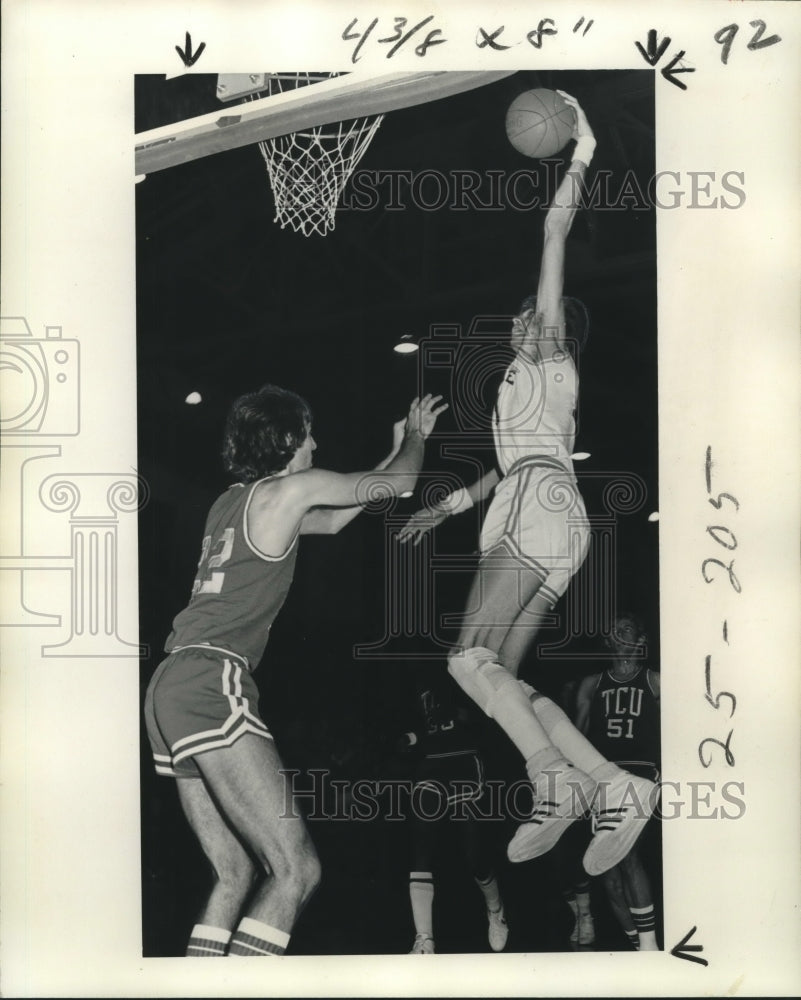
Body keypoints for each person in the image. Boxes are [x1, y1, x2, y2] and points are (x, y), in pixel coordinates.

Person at [399, 91, 655, 877]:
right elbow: (500, 469)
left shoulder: (547, 349)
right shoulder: (527, 384)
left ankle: (556, 782)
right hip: (548, 511)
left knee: (466, 662)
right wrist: (444, 503)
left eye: (527, 315)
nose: (518, 321)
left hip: (537, 509)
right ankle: (609, 785)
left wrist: (578, 153)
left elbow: (553, 230)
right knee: (492, 675)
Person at [144, 385, 447, 957]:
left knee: (233, 873)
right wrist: (413, 439)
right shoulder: (291, 488)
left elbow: (330, 523)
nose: (316, 443)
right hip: (214, 678)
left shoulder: (231, 502)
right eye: (308, 434)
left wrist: (381, 463)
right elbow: (401, 487)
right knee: (297, 871)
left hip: (169, 686)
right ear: (286, 440)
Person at [401, 672, 508, 955]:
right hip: (431, 765)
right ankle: (425, 940)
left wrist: (461, 712)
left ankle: (495, 909)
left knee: (475, 856)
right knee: (420, 847)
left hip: (464, 762)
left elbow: (485, 720)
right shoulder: (416, 679)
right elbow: (421, 727)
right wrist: (408, 738)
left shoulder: (463, 669)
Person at [575, 613, 661, 950]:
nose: (616, 631)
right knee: (607, 873)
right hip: (602, 777)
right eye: (613, 629)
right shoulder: (590, 684)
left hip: (639, 775)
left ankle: (650, 946)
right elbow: (577, 740)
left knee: (629, 855)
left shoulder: (655, 680)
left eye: (626, 627)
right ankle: (638, 945)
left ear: (641, 640)